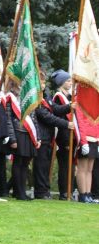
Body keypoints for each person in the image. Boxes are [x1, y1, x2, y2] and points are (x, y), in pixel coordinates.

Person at [32, 72, 71, 200]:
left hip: (48, 135)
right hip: (40, 134)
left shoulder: (46, 96)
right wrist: (66, 123)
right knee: (41, 164)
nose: (43, 85)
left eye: (44, 82)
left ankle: (45, 190)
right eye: (41, 82)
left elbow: (55, 109)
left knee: (46, 164)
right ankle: (40, 191)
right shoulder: (35, 97)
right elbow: (46, 116)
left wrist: (70, 106)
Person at [50, 70, 75, 199]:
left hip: (72, 134)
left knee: (71, 165)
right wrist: (65, 141)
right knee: (64, 166)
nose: (71, 83)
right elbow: (57, 112)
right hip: (63, 135)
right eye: (68, 81)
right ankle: (64, 191)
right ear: (61, 83)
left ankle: (70, 190)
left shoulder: (71, 98)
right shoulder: (58, 97)